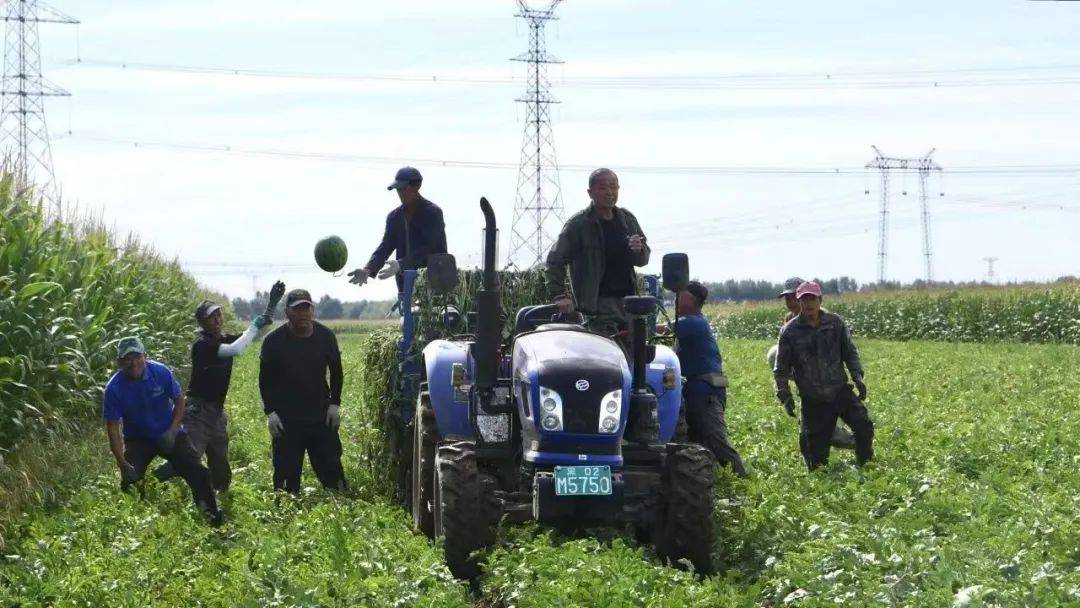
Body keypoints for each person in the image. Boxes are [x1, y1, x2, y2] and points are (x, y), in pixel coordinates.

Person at [152, 283, 283, 491]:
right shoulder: (203, 345)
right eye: (211, 317)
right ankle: (149, 481)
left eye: (219, 315)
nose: (217, 319)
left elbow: (249, 337)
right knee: (189, 458)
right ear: (202, 322)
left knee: (220, 465)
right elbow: (236, 349)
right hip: (197, 412)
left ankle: (220, 497)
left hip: (216, 413)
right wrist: (256, 323)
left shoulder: (221, 338)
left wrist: (271, 306)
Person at [103, 337, 221, 524]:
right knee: (130, 484)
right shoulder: (114, 388)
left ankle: (212, 518)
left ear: (145, 356)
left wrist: (173, 430)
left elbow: (180, 400)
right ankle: (137, 525)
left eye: (137, 356)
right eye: (127, 358)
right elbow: (113, 430)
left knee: (199, 472)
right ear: (120, 362)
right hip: (138, 439)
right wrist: (122, 464)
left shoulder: (160, 372)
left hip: (169, 432)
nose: (133, 363)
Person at [773, 281, 874, 470]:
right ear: (799, 301)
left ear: (820, 300)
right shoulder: (790, 331)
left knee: (864, 426)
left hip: (839, 390)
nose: (809, 303)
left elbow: (849, 352)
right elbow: (781, 369)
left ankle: (866, 466)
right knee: (817, 460)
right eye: (804, 299)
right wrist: (784, 394)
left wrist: (857, 377)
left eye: (812, 298)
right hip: (813, 398)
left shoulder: (835, 323)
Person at [545, 168, 650, 340]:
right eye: (603, 188)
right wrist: (560, 295)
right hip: (597, 307)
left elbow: (642, 260)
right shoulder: (578, 224)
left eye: (614, 187)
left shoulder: (627, 219)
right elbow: (554, 261)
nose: (610, 192)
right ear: (590, 193)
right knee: (603, 361)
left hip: (628, 305)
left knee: (633, 360)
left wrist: (639, 250)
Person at [258, 289, 347, 493]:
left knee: (333, 472)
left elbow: (336, 371)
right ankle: (287, 514)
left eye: (306, 308)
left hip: (320, 415)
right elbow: (264, 381)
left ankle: (338, 501)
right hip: (286, 420)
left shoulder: (326, 337)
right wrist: (270, 413)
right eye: (297, 309)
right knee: (286, 481)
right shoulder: (273, 342)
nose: (302, 314)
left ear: (313, 311)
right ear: (287, 313)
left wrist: (335, 404)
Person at [668, 281, 747, 476]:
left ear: (693, 301)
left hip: (705, 392)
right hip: (694, 391)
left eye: (681, 295)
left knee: (716, 441)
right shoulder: (689, 322)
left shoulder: (694, 322)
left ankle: (743, 479)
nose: (676, 299)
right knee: (696, 443)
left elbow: (662, 329)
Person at [768, 277, 855, 451]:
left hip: (827, 380)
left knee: (823, 422)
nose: (790, 301)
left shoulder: (823, 319)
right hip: (807, 382)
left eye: (793, 297)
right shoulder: (790, 321)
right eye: (787, 298)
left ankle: (854, 442)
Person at [347, 166, 448, 293]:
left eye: (404, 188)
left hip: (435, 284)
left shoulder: (433, 213)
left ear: (417, 186)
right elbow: (385, 246)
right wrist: (368, 269)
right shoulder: (394, 217)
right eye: (397, 189)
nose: (400, 193)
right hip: (405, 286)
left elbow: (429, 249)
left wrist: (401, 264)